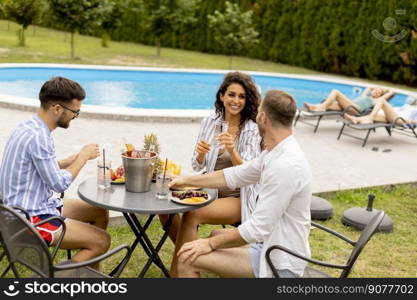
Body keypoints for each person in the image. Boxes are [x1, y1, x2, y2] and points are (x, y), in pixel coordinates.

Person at [169, 90, 312, 278]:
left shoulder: (285, 165)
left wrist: (208, 245)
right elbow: (236, 175)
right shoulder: (276, 152)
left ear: (263, 117)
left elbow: (257, 228)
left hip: (279, 262)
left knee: (187, 257)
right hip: (269, 244)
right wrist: (185, 180)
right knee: (215, 235)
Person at [0, 77, 110, 270]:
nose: (76, 116)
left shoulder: (27, 127)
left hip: (20, 209)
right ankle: (55, 285)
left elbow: (33, 169)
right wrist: (82, 158)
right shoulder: (40, 137)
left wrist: (65, 162)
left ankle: (87, 278)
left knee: (98, 212)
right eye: (75, 112)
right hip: (27, 220)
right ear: (57, 108)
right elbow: (58, 184)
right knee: (101, 241)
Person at [167, 71, 262, 276]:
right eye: (231, 94)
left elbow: (250, 173)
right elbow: (196, 163)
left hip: (239, 197)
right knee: (166, 207)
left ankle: (177, 273)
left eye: (241, 96)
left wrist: (232, 151)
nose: (235, 100)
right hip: (211, 190)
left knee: (193, 213)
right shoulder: (210, 122)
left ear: (248, 100)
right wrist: (201, 154)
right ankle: (193, 256)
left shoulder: (252, 129)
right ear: (222, 96)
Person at [303, 87, 394, 113]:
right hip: (349, 105)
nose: (376, 92)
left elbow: (392, 92)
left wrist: (384, 90)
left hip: (355, 109)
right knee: (329, 105)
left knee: (336, 92)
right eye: (375, 91)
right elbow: (369, 87)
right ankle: (313, 107)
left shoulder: (377, 100)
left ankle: (321, 107)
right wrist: (378, 88)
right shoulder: (365, 95)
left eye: (378, 93)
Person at [344, 96, 417, 126]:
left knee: (382, 100)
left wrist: (409, 121)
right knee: (374, 115)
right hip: (393, 116)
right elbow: (398, 110)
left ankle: (368, 118)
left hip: (401, 120)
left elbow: (415, 122)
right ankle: (356, 119)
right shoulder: (408, 106)